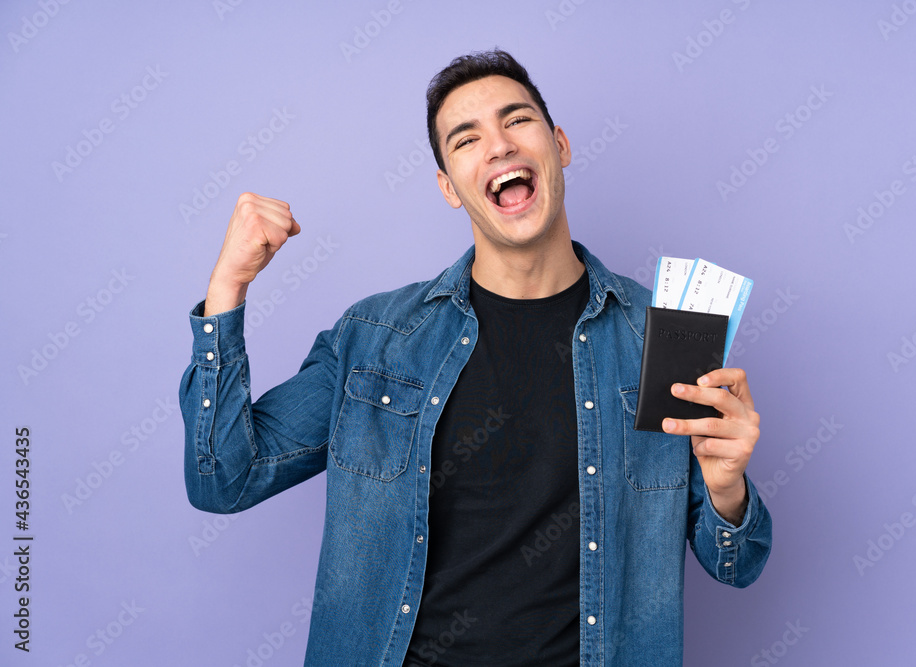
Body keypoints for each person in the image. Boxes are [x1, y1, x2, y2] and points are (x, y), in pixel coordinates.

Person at [180, 49, 771, 666]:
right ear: (449, 187)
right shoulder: (373, 339)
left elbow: (738, 563)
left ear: (559, 145)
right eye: (466, 139)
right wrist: (227, 291)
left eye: (516, 120)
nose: (498, 146)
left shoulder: (665, 335)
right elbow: (224, 478)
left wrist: (727, 488)